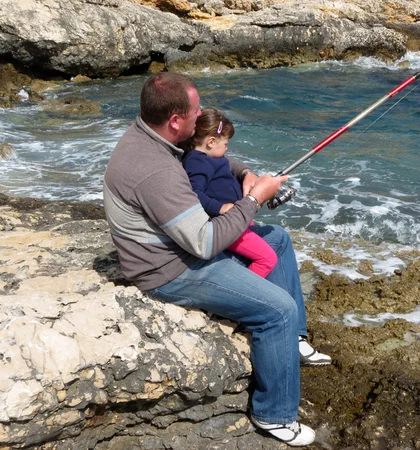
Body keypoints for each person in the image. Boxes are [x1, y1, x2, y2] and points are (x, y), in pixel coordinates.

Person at [103, 72, 331, 447]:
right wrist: (254, 199)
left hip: (178, 246)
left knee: (278, 240)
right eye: (195, 111)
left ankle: (295, 341)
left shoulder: (153, 135)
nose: (201, 116)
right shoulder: (154, 169)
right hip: (169, 269)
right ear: (176, 120)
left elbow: (206, 155)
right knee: (279, 311)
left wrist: (245, 174)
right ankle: (274, 415)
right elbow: (205, 242)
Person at [180, 107, 277, 278]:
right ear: (211, 142)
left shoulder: (210, 158)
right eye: (225, 144)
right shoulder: (197, 163)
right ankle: (246, 293)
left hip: (234, 221)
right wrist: (220, 208)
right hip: (225, 225)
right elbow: (194, 194)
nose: (226, 149)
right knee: (267, 259)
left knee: (268, 242)